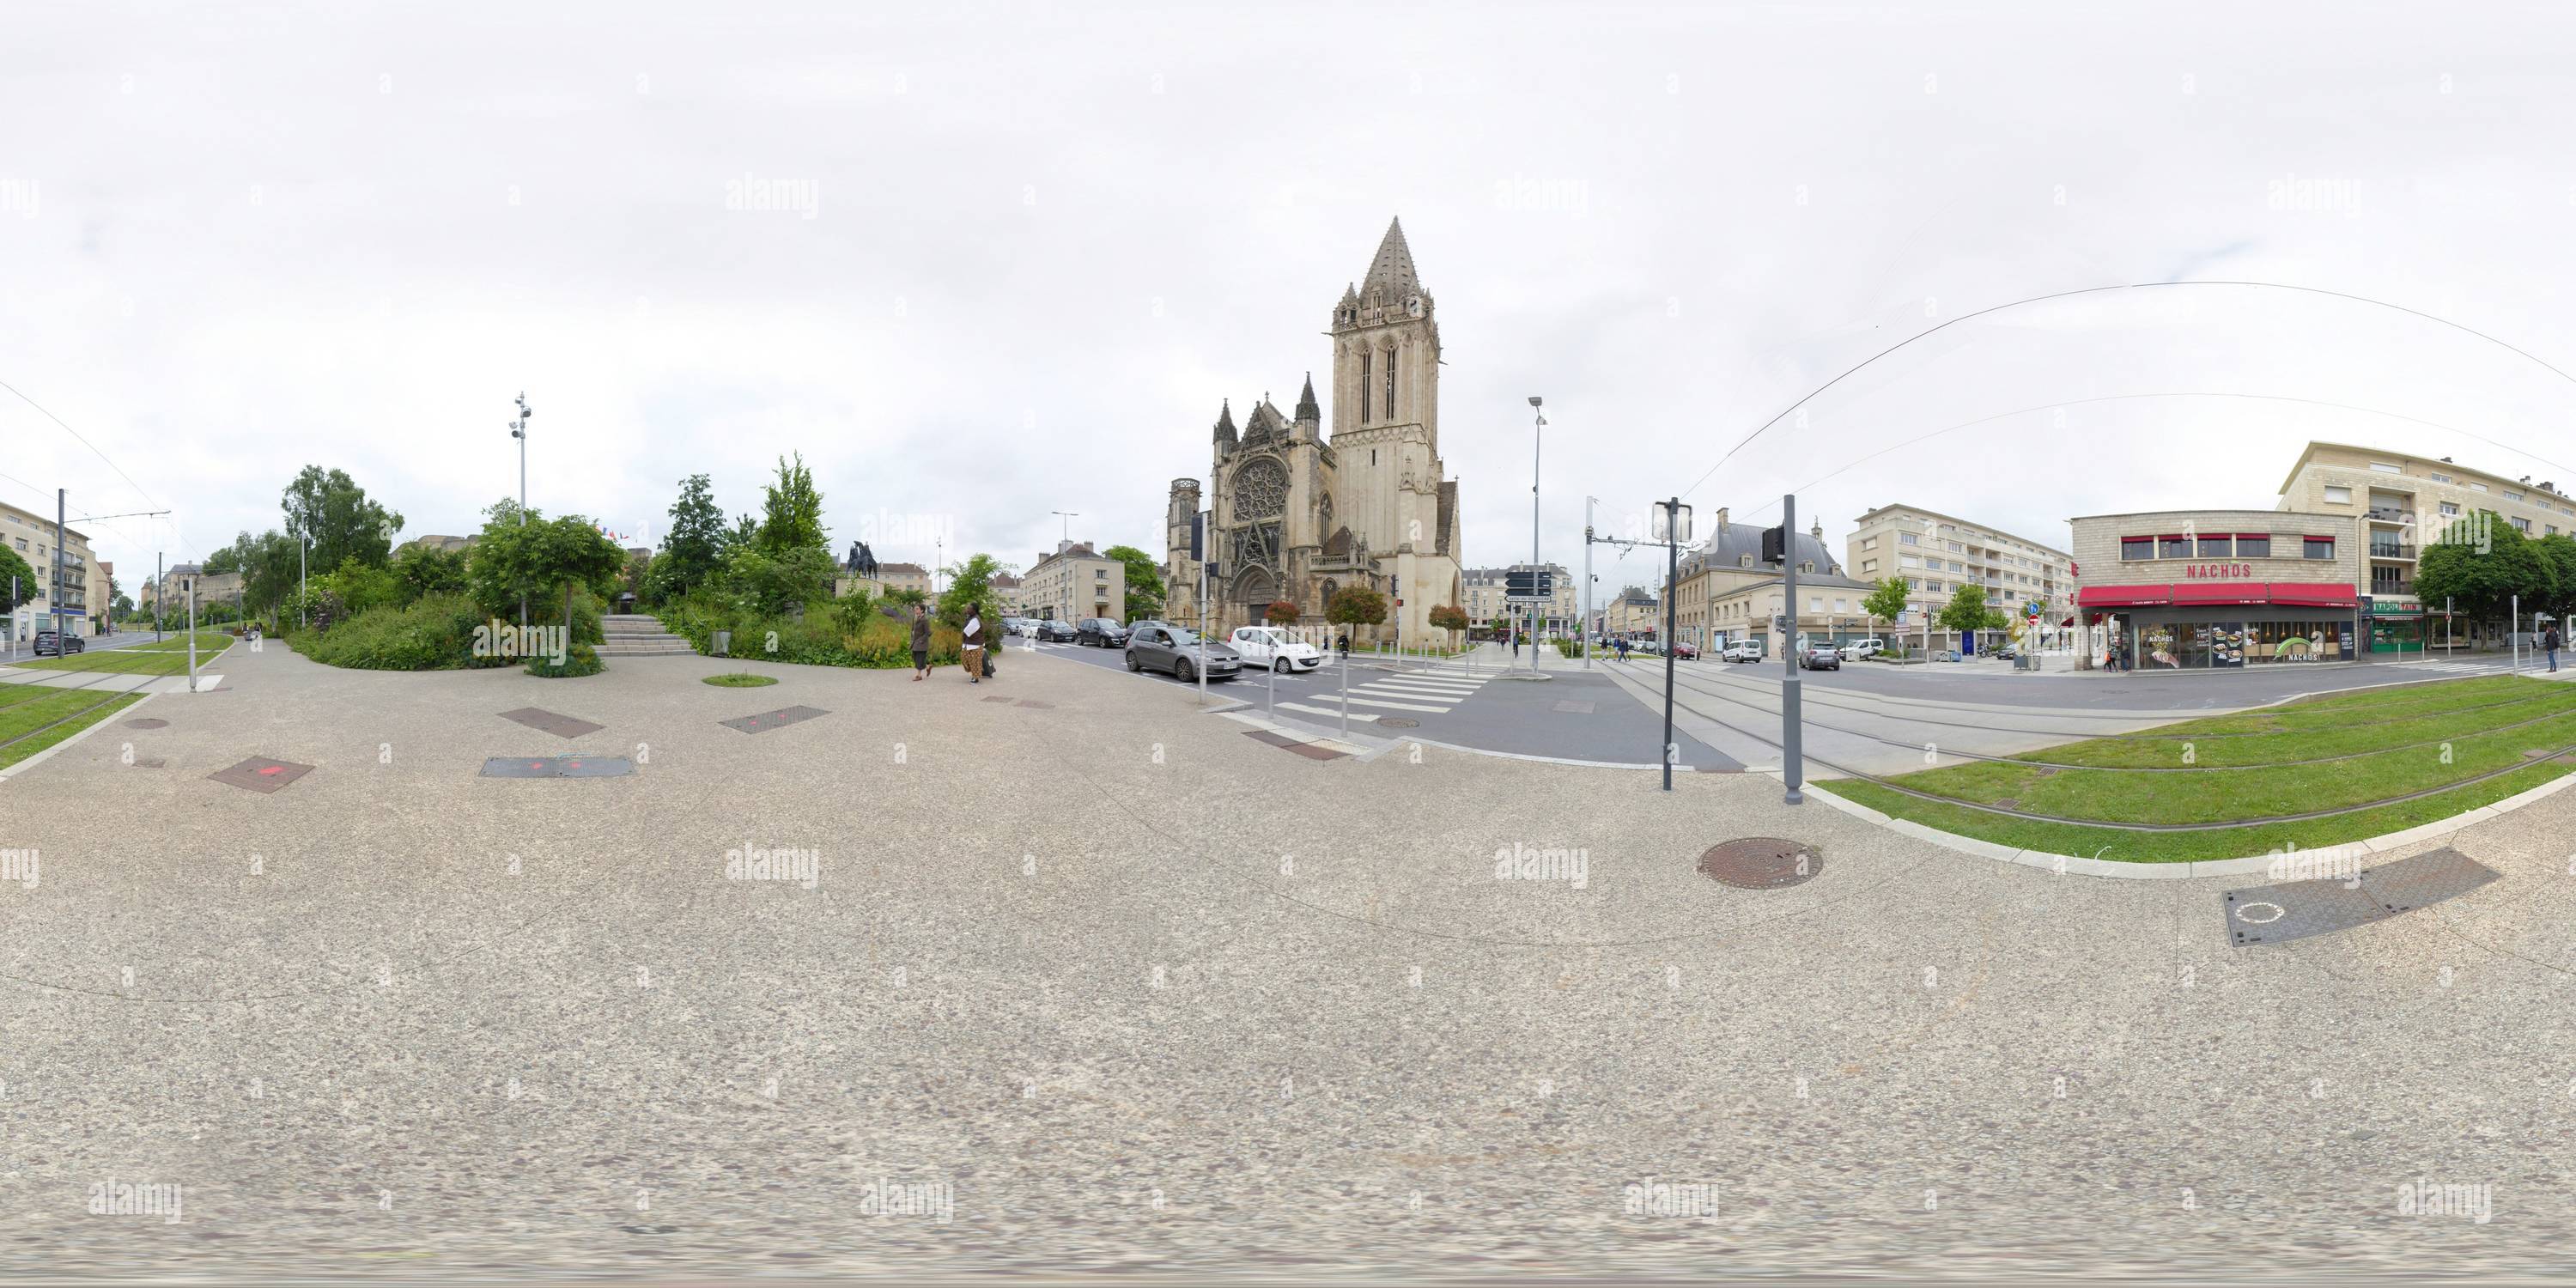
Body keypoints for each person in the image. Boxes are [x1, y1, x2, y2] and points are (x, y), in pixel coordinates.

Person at [961, 604, 986, 684]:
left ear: (974, 610)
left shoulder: (975, 619)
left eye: (969, 609)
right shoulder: (970, 617)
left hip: (976, 644)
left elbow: (967, 631)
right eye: (967, 608)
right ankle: (978, 670)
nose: (967, 609)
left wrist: (963, 635)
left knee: (975, 661)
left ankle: (975, 678)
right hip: (968, 643)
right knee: (964, 659)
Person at [909, 603, 932, 681]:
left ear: (922, 610)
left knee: (919, 658)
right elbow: (912, 630)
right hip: (915, 642)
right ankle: (928, 666)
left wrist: (921, 640)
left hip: (922, 643)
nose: (915, 610)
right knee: (915, 657)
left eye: (917, 609)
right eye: (915, 609)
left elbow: (928, 633)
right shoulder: (914, 618)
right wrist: (911, 638)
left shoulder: (925, 620)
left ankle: (919, 676)